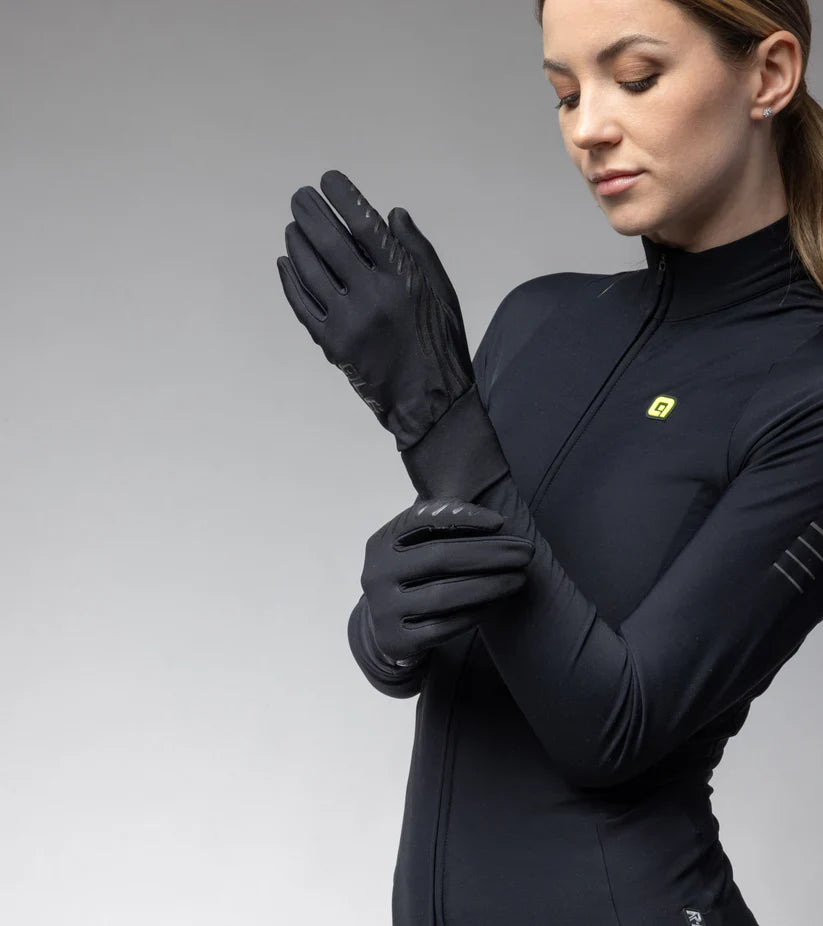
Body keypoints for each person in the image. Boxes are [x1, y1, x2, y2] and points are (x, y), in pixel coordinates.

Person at [276, 0, 823, 923]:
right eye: (565, 94)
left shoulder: (803, 387)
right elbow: (484, 634)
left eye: (635, 78)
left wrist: (433, 415)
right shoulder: (540, 320)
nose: (588, 128)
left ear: (768, 75)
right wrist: (385, 627)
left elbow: (614, 729)